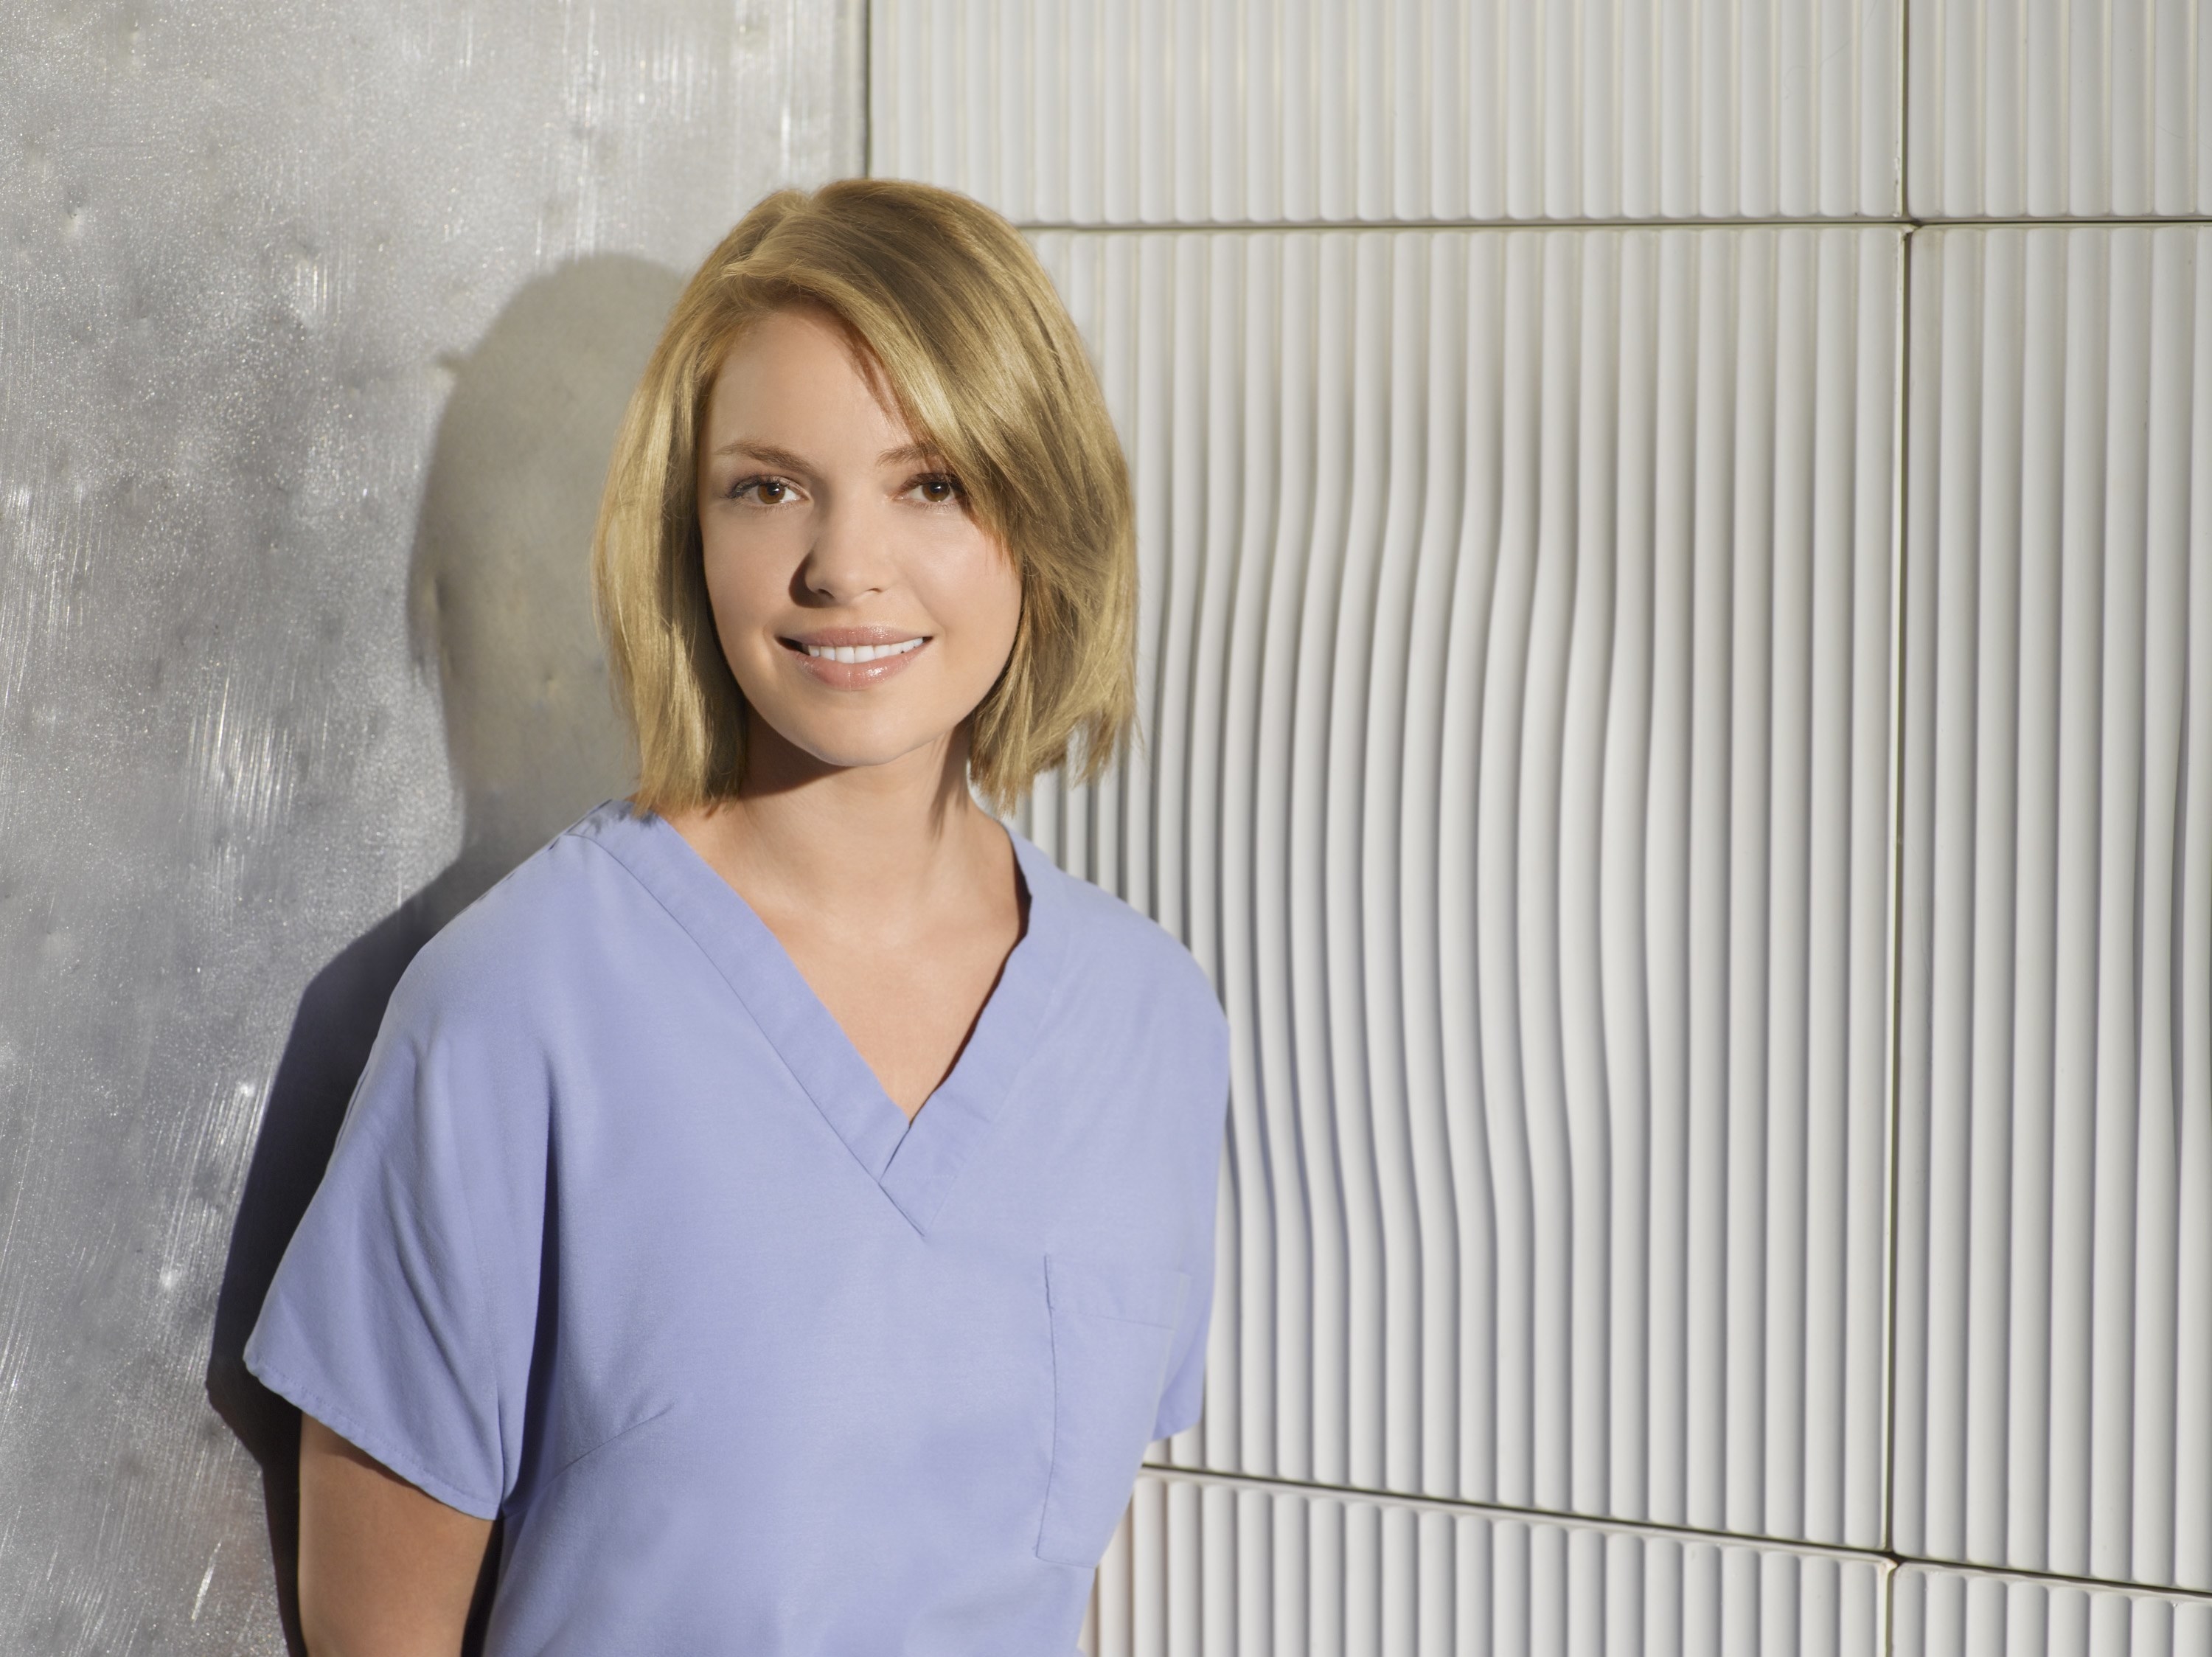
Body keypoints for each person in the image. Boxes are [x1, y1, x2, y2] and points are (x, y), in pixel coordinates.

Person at [244, 178, 1230, 1656]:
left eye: (933, 482)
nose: (846, 565)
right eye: (768, 486)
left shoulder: (1150, 1023)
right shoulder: (515, 1011)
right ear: (686, 535)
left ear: (1040, 516)